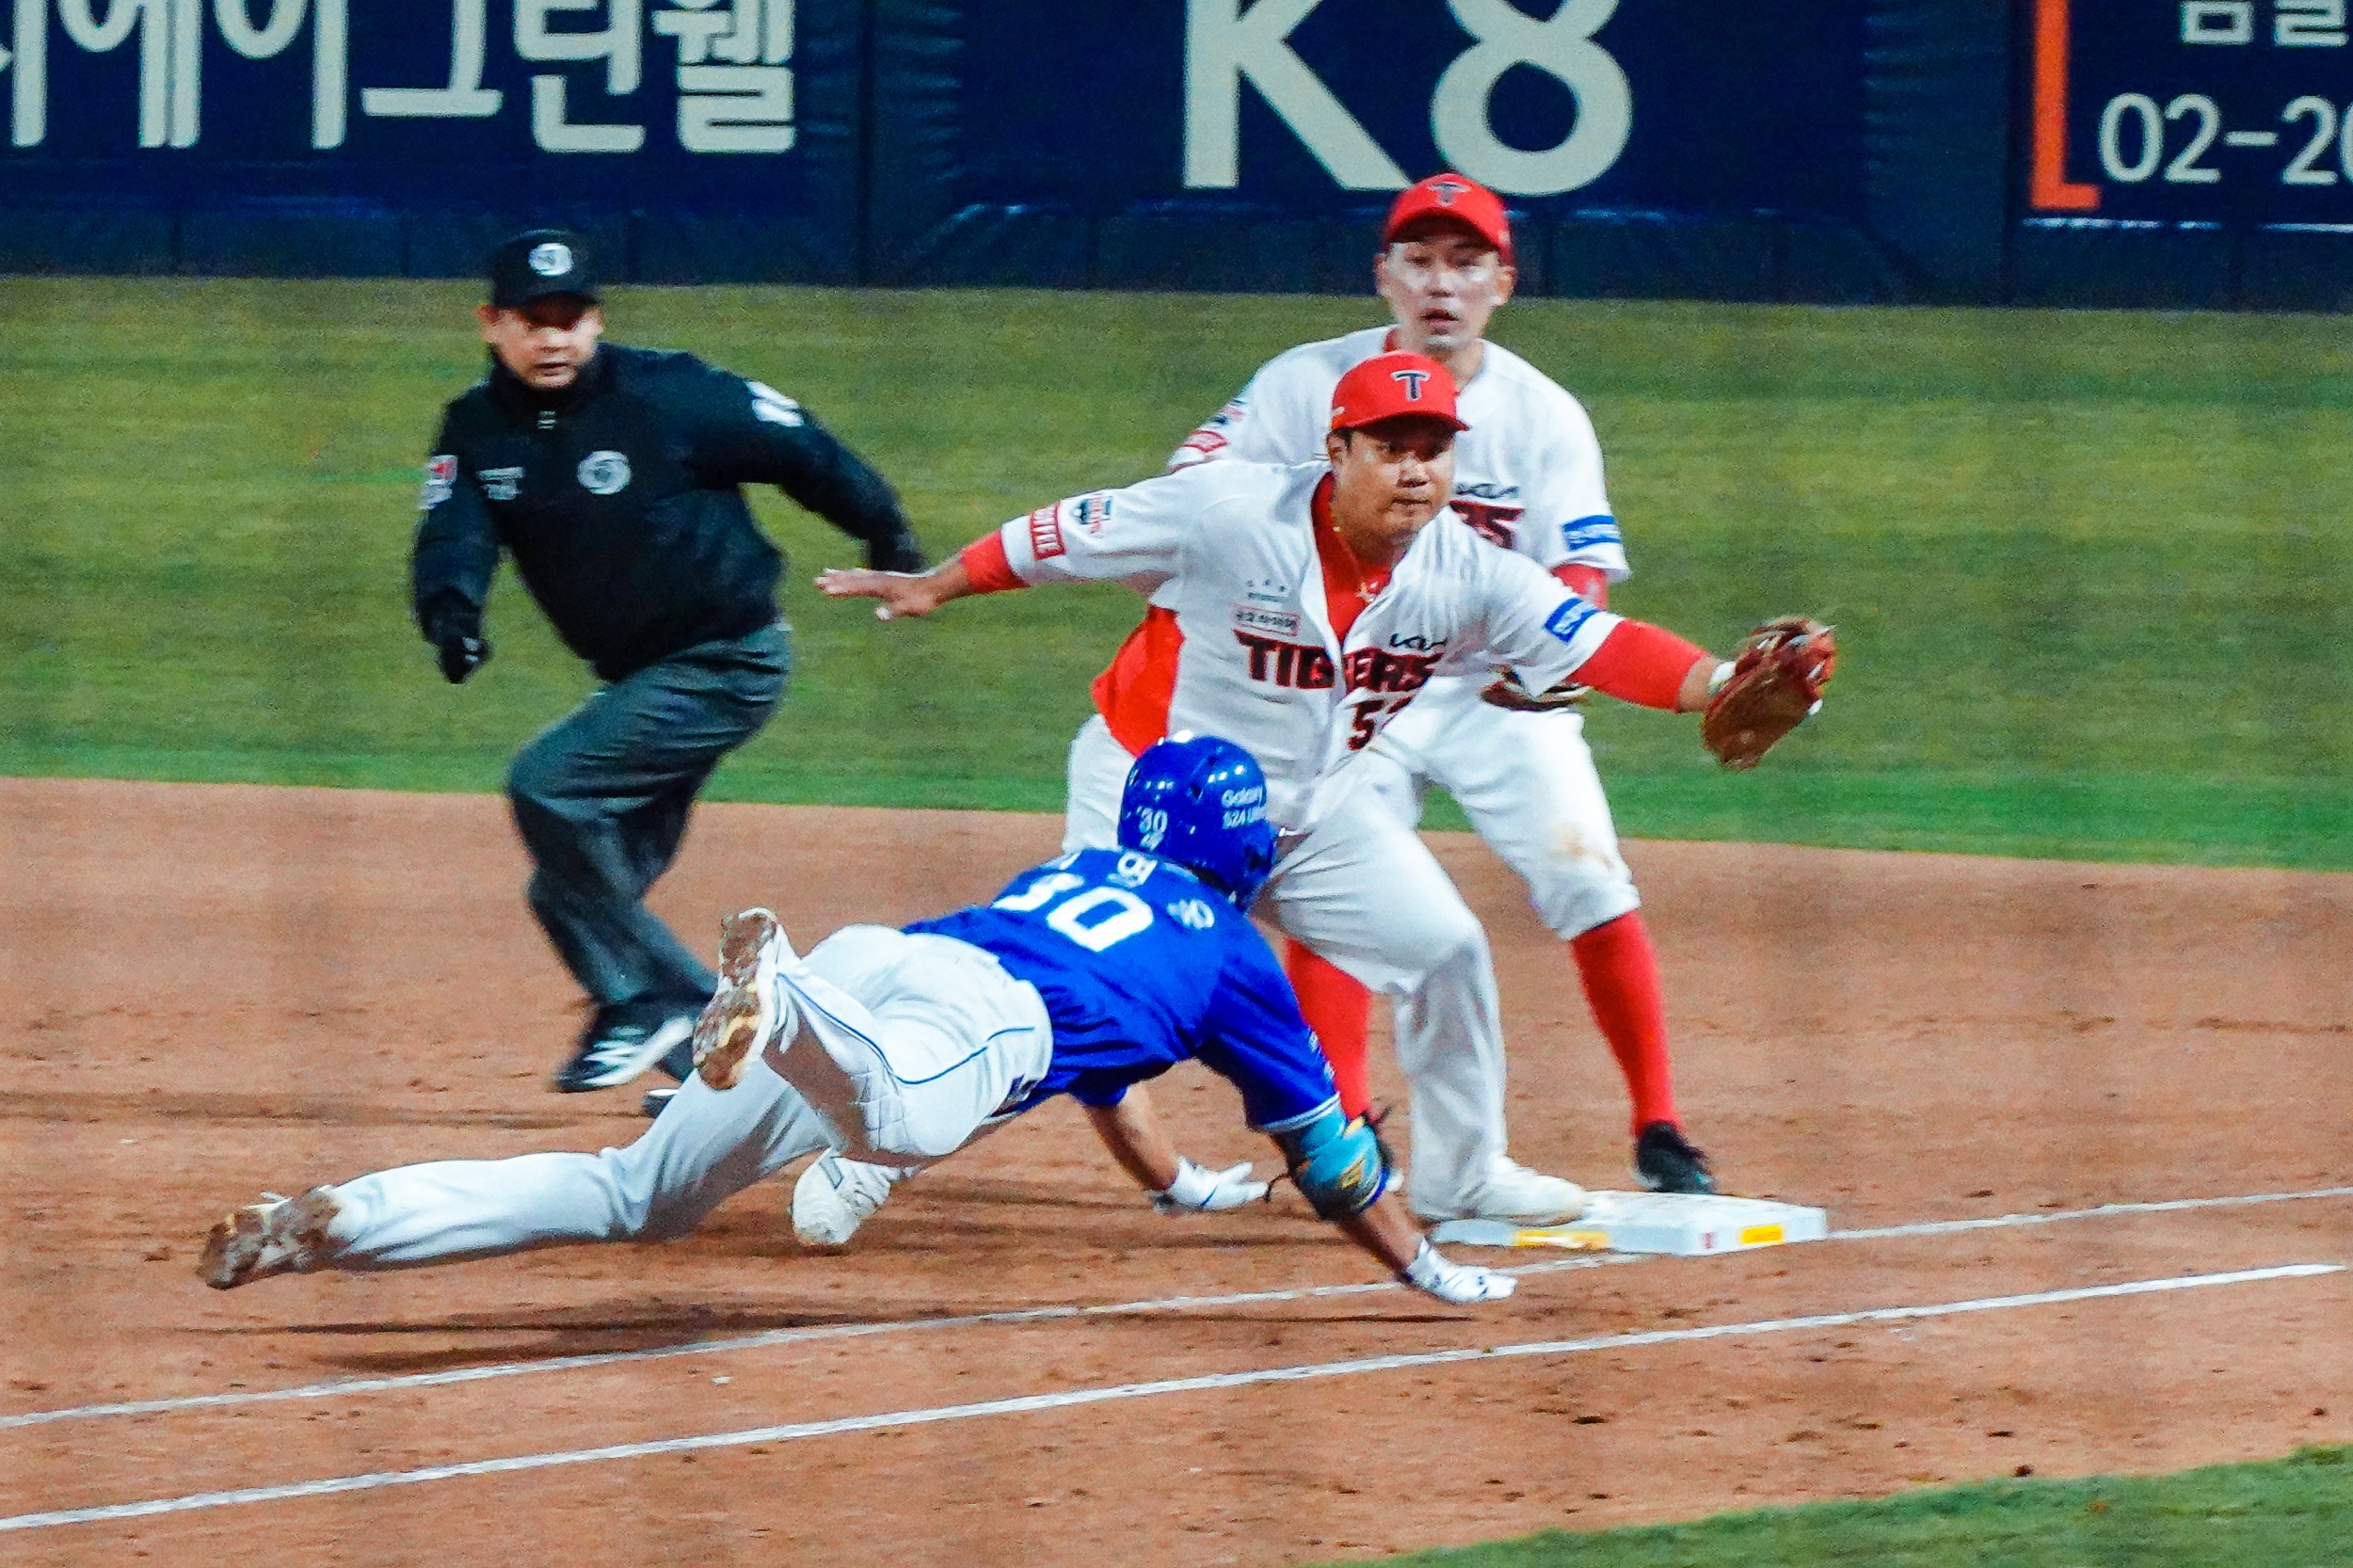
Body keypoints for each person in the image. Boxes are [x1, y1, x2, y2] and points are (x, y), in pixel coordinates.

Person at [815, 352, 1810, 1237]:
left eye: (1434, 450)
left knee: (1446, 951)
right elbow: (1061, 534)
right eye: (1390, 447)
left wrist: (1723, 682)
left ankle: (1464, 1177)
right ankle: (876, 1147)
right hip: (1152, 799)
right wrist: (935, 584)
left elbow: (1600, 642)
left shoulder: (1469, 571)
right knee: (1079, 999)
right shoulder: (1227, 512)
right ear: (1337, 451)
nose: (1415, 470)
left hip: (1310, 813)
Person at [197, 738, 1518, 1310]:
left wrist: (1174, 1185)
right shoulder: (1234, 956)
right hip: (954, 1021)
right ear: (1239, 848)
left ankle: (339, 1221)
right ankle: (774, 994)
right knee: (901, 1121)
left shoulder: (1072, 873)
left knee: (636, 1194)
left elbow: (1116, 1085)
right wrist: (1425, 1266)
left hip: (889, 958)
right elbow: (1330, 1159)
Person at [1157, 172, 1715, 1193]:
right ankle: (1341, 1128)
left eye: (1465, 263)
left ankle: (1660, 1125)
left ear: (1504, 282)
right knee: (1339, 883)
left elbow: (1580, 568)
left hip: (1494, 692)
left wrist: (1550, 658)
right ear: (1384, 275)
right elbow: (1190, 485)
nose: (1440, 285)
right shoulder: (1302, 383)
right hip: (1353, 681)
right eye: (1418, 261)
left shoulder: (1543, 414)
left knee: (1588, 877)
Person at [410, 228, 926, 1095]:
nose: (553, 338)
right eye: (532, 320)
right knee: (566, 891)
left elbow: (800, 447)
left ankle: (659, 1003)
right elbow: (454, 530)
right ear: (491, 323)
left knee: (548, 784)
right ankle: (720, 1087)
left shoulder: (670, 393)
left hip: (727, 662)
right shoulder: (477, 428)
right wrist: (451, 612)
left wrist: (886, 532)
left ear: (596, 321)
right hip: (647, 678)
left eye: (570, 318)